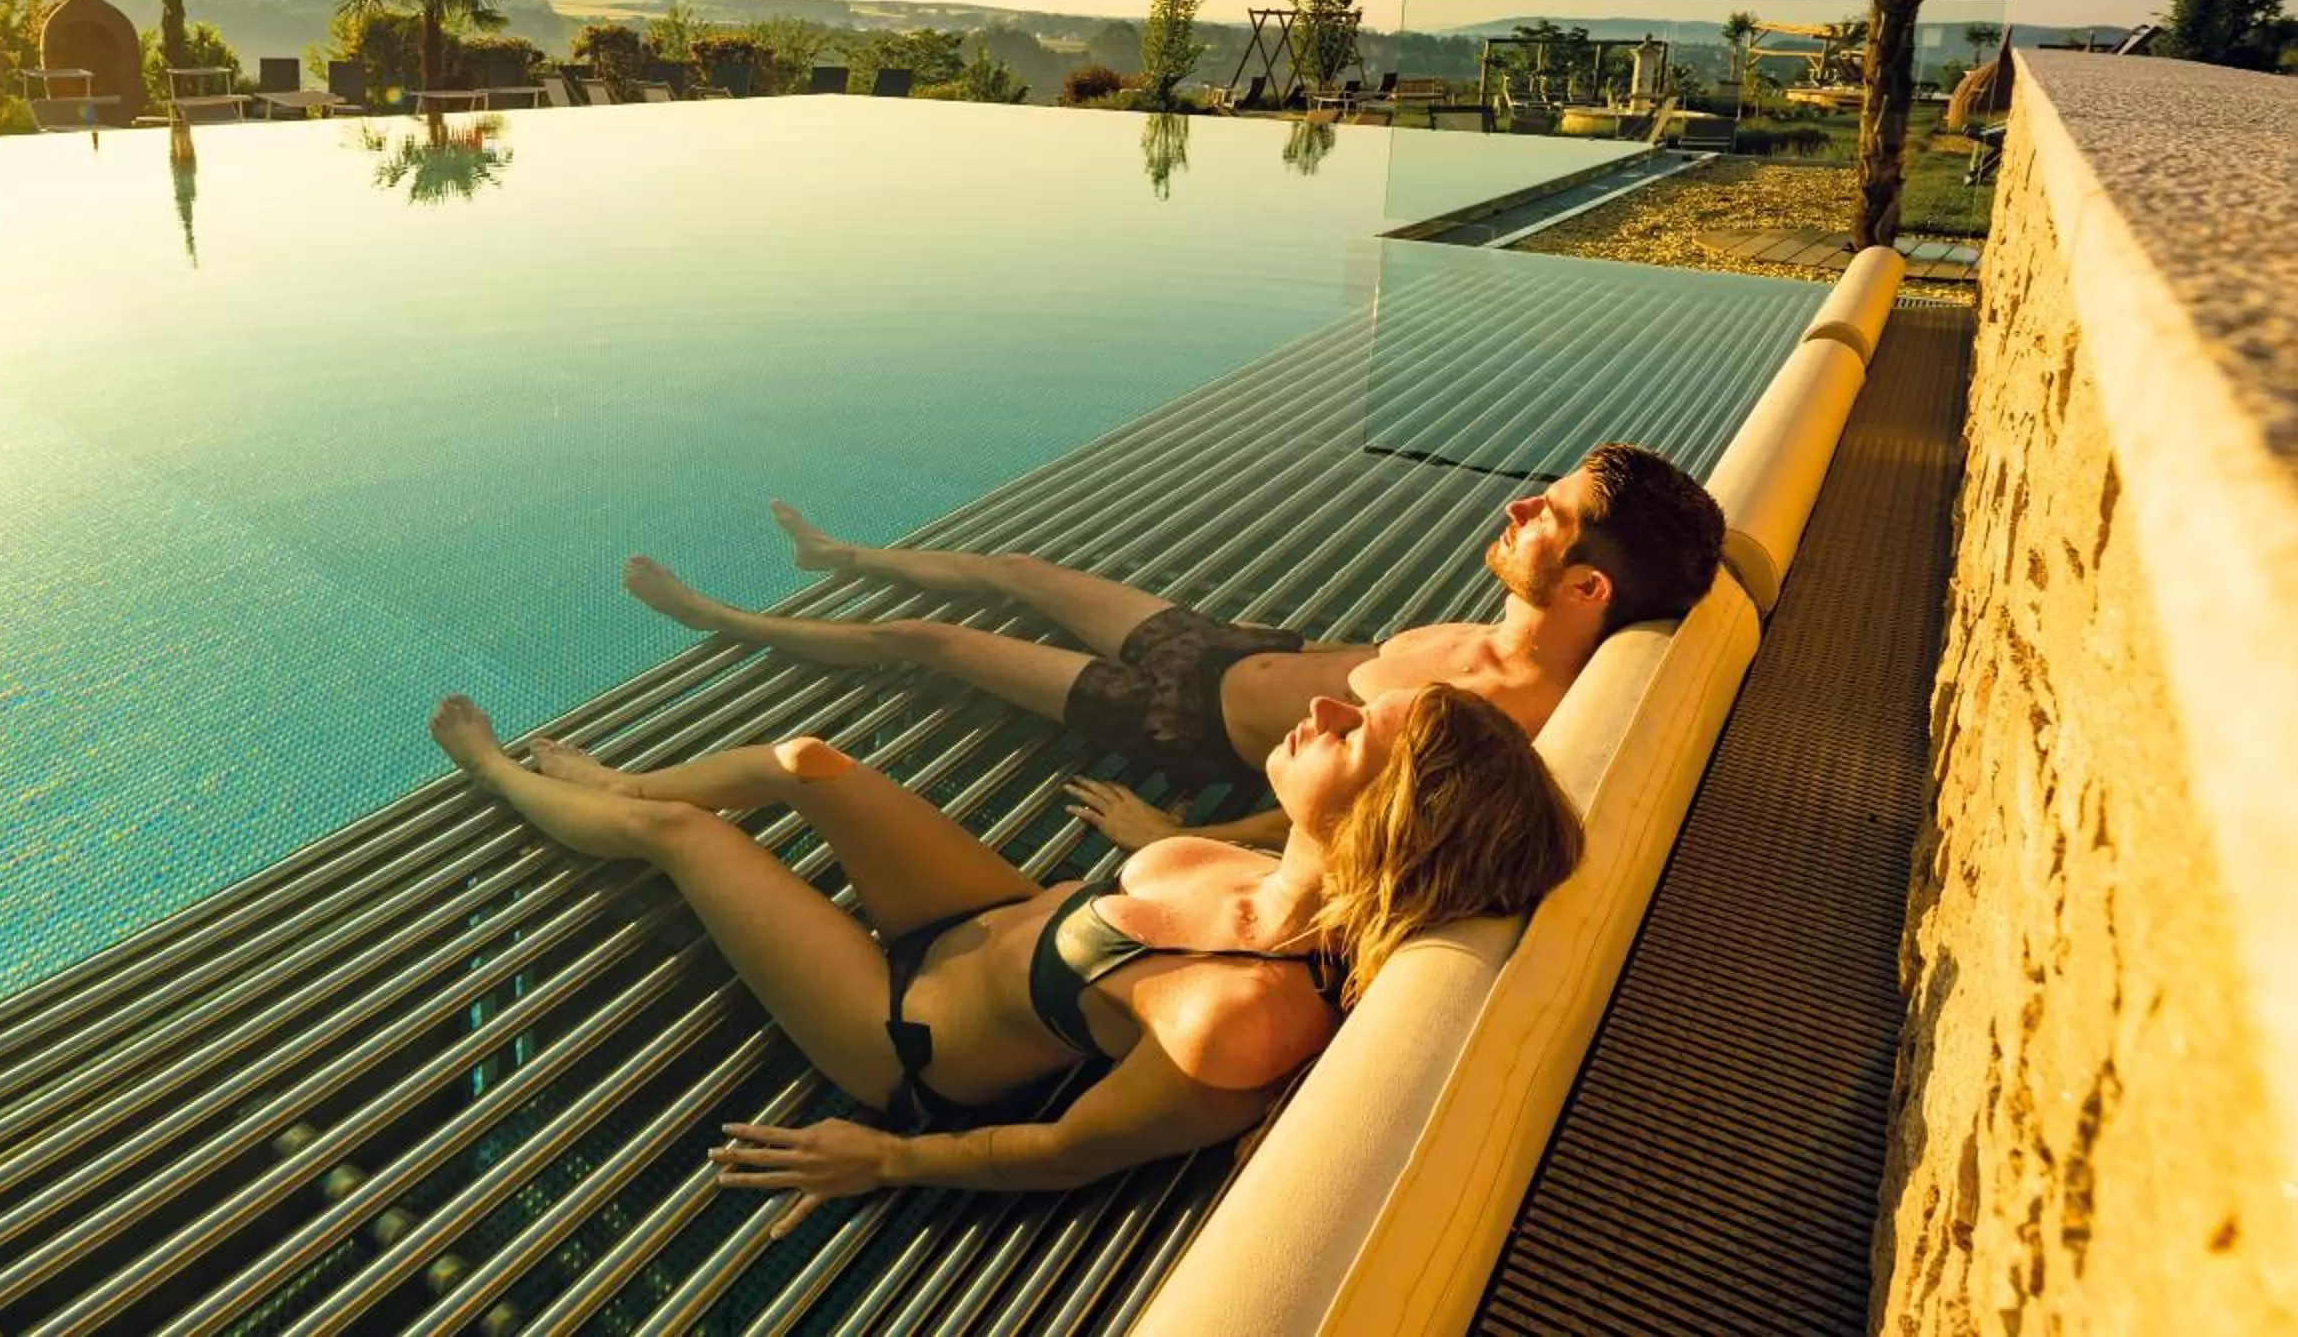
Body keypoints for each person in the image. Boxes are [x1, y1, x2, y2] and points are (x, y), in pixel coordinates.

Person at [427, 679, 1582, 1231]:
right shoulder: (1271, 868)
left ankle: (503, 778)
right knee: (801, 761)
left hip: (900, 1032)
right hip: (991, 922)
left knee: (690, 839)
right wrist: (1152, 841)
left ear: (1384, 822)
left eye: (1356, 733)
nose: (1327, 704)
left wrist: (881, 1158)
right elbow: (1273, 852)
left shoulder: (1238, 1020)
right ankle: (618, 780)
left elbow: (1067, 1151)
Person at [621, 442, 1723, 847]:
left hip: (1181, 722)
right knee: (1025, 574)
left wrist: (1166, 835)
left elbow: (1345, 819)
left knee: (934, 644)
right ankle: (839, 555)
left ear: (1585, 586)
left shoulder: (1509, 720)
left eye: (1551, 514)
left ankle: (724, 619)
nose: (1521, 503)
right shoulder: (1503, 630)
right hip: (1227, 646)